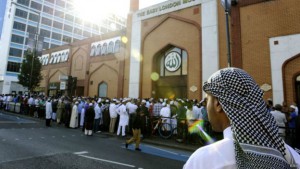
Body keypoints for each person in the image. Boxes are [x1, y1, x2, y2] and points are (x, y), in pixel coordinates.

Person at [184, 68, 300, 169]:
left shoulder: (203, 160)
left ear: (218, 104)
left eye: (207, 100)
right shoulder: (292, 156)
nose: (206, 105)